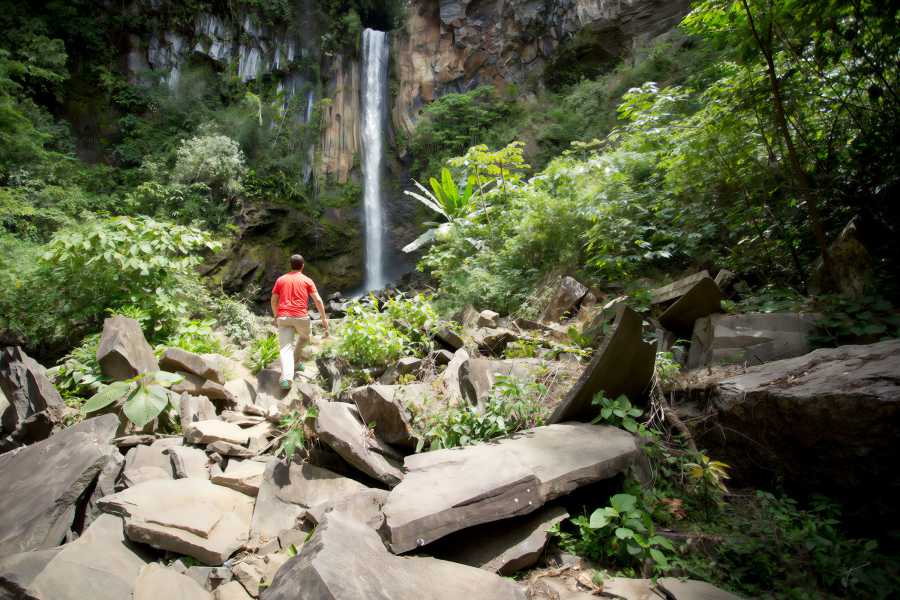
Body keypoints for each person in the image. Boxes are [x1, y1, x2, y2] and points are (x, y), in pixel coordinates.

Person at [271, 254, 328, 389]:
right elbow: (318, 300)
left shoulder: (281, 280)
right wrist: (324, 319)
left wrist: (275, 315)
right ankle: (295, 363)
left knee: (285, 348)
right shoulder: (307, 280)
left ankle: (286, 378)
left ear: (290, 265)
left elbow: (273, 301)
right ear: (302, 266)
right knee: (305, 337)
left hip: (283, 317)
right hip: (301, 318)